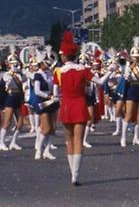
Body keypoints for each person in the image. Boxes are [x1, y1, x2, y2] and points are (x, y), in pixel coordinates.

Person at [54, 30, 94, 186]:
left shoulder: (58, 71)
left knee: (69, 140)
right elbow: (100, 82)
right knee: (78, 140)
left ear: (64, 56)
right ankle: (75, 175)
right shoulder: (83, 70)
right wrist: (109, 73)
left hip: (66, 106)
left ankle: (73, 173)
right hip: (80, 105)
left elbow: (55, 93)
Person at [33, 58, 58, 160]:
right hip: (43, 101)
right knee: (46, 127)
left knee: (52, 128)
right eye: (46, 64)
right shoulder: (38, 75)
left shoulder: (49, 74)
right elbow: (37, 91)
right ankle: (39, 149)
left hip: (51, 100)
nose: (48, 66)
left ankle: (47, 151)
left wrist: (55, 95)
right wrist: (48, 96)